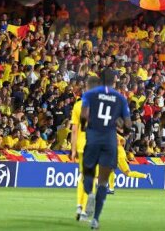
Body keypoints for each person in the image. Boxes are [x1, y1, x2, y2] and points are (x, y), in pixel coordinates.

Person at [81, 69, 132, 230]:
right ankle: (95, 219)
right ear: (114, 82)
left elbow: (84, 116)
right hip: (110, 141)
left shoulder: (90, 95)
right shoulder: (120, 98)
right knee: (103, 181)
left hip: (94, 137)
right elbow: (128, 125)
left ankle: (89, 194)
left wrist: (86, 127)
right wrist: (123, 130)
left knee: (88, 173)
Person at [71, 76, 100, 222]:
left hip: (81, 145)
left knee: (82, 175)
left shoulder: (77, 105)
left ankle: (78, 204)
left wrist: (73, 149)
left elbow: (74, 130)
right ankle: (84, 211)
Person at [107, 124, 153, 194]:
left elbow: (116, 142)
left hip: (118, 155)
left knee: (126, 173)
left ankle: (111, 188)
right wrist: (122, 148)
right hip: (119, 154)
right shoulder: (114, 134)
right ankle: (145, 176)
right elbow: (123, 140)